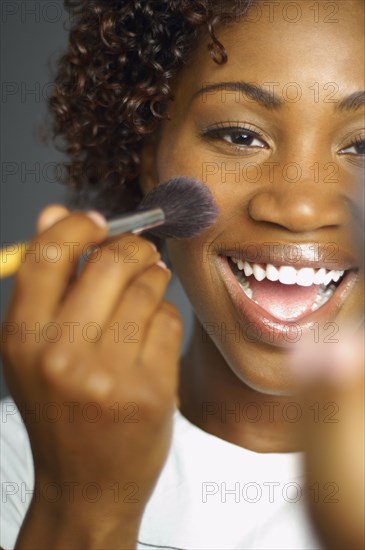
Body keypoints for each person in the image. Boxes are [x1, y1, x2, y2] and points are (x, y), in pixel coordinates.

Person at [1, 0, 364, 548]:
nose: (300, 209)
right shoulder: (16, 462)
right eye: (240, 136)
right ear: (150, 157)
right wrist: (80, 510)